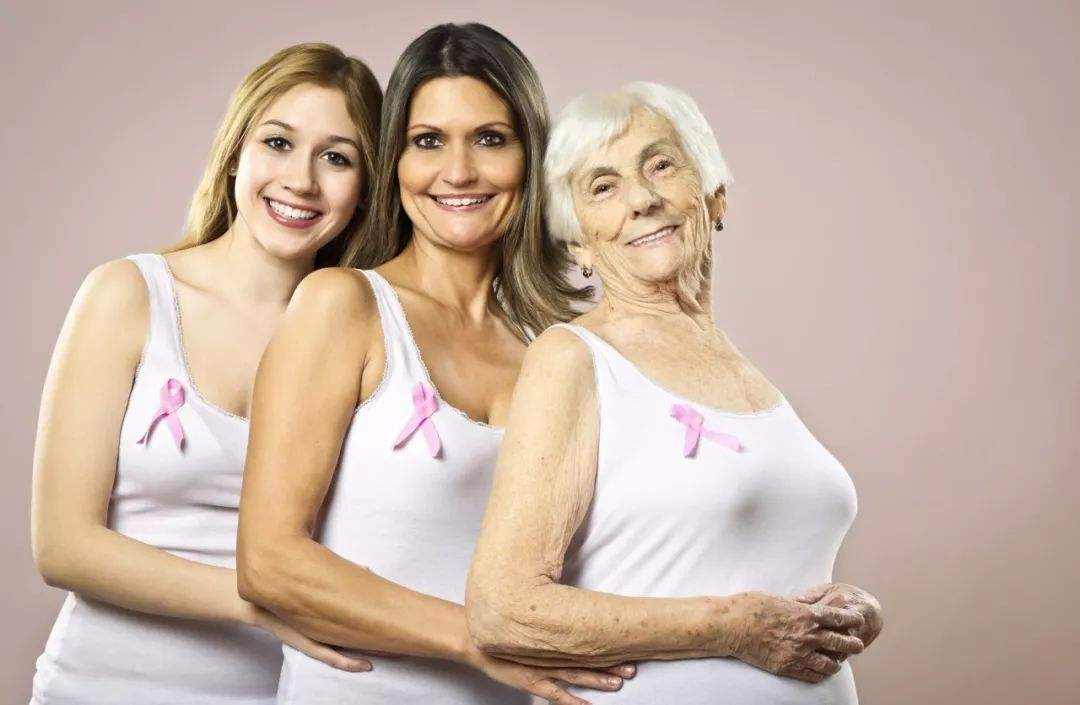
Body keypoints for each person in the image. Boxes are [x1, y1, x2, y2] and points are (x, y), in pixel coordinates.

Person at [236, 24, 632, 705]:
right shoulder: (346, 305)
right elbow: (268, 562)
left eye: (490, 138)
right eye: (428, 141)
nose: (458, 172)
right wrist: (482, 641)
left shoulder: (558, 347)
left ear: (530, 156)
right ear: (394, 160)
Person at [466, 82, 884, 704]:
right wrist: (732, 627)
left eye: (661, 166)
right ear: (579, 241)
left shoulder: (746, 374)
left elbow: (757, 563)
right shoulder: (574, 358)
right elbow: (504, 609)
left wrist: (853, 612)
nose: (642, 199)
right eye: (603, 187)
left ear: (715, 196)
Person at [30, 43, 382, 704]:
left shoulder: (369, 339)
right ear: (235, 154)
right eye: (278, 143)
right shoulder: (128, 294)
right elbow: (62, 545)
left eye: (337, 158)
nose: (302, 180)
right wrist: (261, 601)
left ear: (365, 191)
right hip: (95, 689)